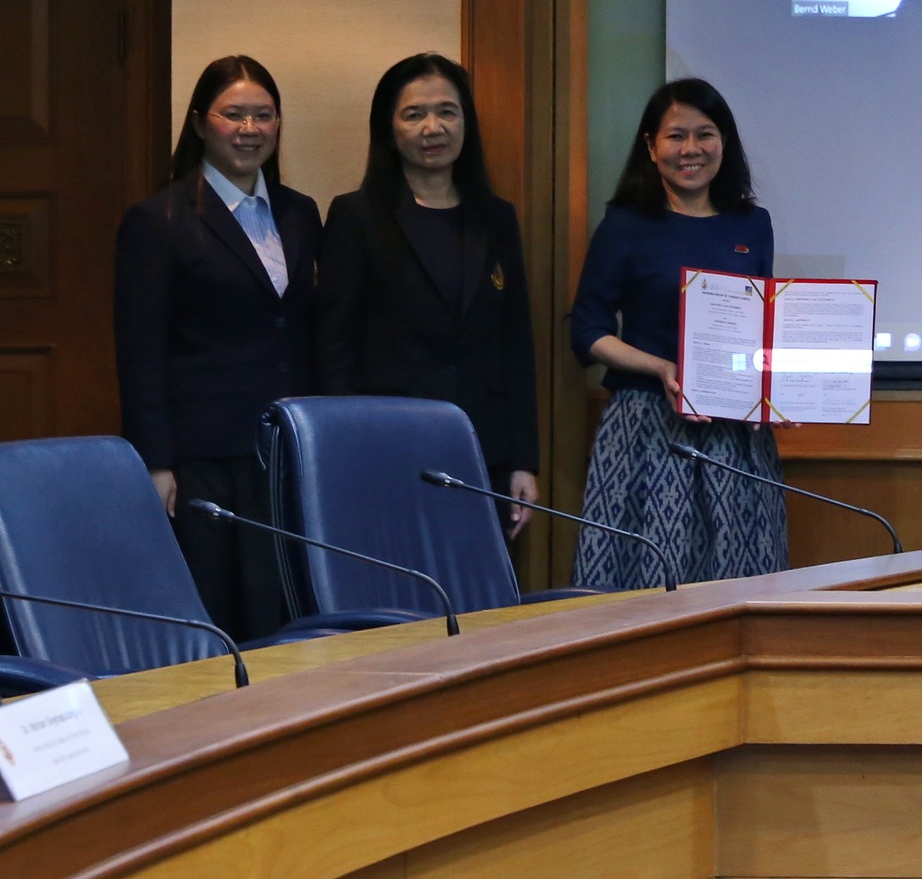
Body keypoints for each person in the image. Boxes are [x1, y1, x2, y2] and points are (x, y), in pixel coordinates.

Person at [114, 57, 321, 639]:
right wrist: (155, 462)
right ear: (202, 123)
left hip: (286, 447)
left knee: (287, 606)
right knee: (217, 613)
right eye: (234, 115)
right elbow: (140, 349)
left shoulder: (301, 213)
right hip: (203, 454)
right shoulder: (160, 219)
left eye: (264, 115)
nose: (249, 129)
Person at [569, 78, 783, 588]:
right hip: (646, 426)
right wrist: (662, 367)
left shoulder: (752, 224)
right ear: (650, 145)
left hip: (735, 432)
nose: (691, 150)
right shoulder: (624, 224)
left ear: (724, 142)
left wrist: (774, 393)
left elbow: (763, 330)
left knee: (738, 582)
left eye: (705, 134)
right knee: (645, 583)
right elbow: (587, 330)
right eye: (675, 136)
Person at [317, 54, 539, 538]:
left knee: (484, 602)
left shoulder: (496, 218)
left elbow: (515, 345)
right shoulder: (356, 217)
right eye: (413, 114)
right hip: (387, 447)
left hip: (484, 450)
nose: (432, 127)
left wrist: (523, 462)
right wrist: (343, 452)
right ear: (388, 129)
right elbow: (334, 347)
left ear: (466, 122)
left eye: (447, 112)